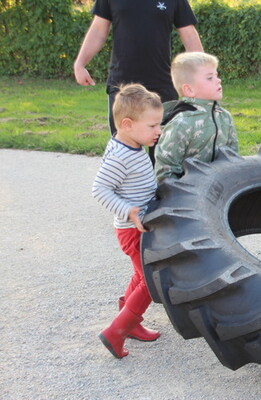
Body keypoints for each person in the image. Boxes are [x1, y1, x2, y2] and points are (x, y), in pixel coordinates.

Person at [73, 0, 203, 161]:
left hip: (162, 84)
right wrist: (80, 63)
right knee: (123, 154)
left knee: (163, 154)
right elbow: (98, 30)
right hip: (122, 86)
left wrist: (201, 73)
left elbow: (189, 34)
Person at [92, 83, 163, 359]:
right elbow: (99, 189)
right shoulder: (120, 156)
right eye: (152, 126)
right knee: (151, 279)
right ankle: (116, 332)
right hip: (132, 230)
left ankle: (129, 322)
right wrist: (129, 211)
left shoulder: (130, 144)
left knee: (140, 275)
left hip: (136, 226)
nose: (158, 131)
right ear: (127, 124)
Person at [154, 52, 238, 183]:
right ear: (189, 90)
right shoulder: (182, 122)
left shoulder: (225, 117)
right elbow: (166, 168)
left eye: (216, 75)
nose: (218, 80)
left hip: (220, 186)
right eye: (210, 78)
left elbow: (233, 156)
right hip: (188, 189)